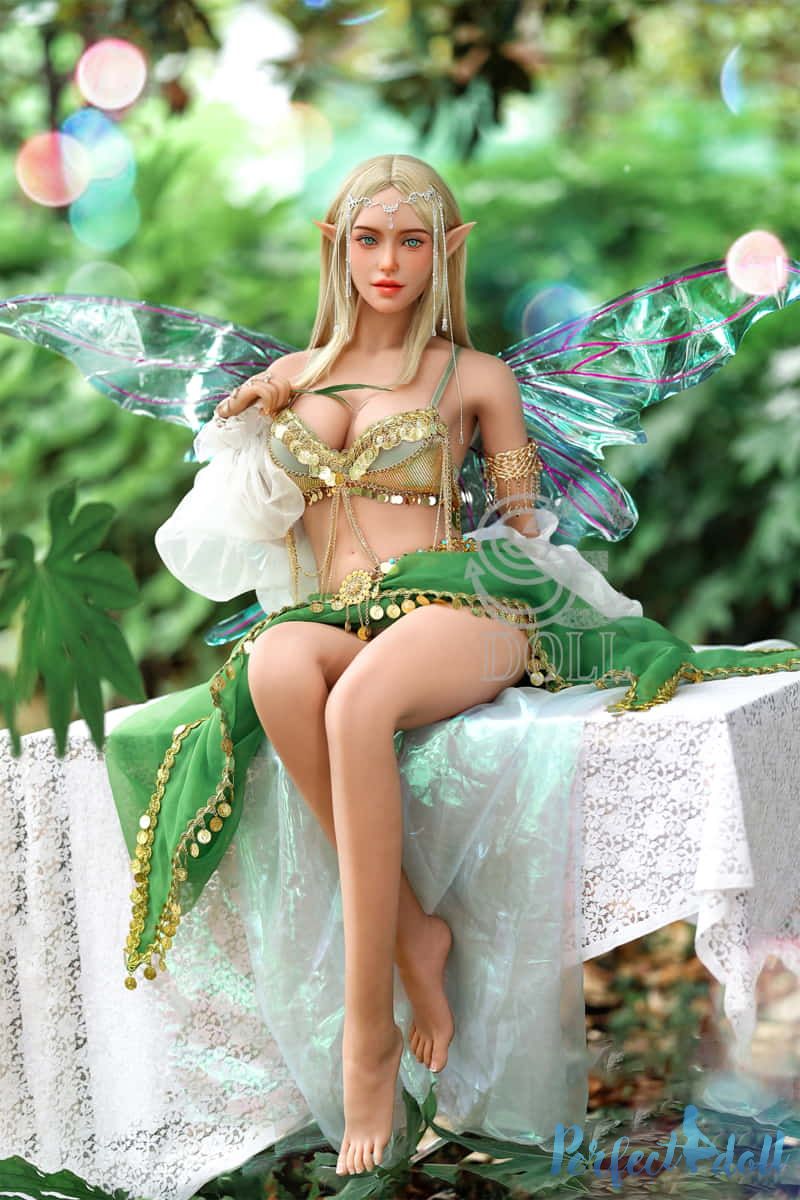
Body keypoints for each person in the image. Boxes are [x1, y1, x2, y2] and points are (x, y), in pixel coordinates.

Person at [36, 152, 799, 1177]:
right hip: (333, 613)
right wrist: (250, 431)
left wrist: (544, 562)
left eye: (410, 240)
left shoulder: (474, 378)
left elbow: (526, 526)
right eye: (367, 238)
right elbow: (239, 539)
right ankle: (412, 931)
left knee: (356, 706)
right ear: (336, 246)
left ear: (447, 249)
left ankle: (369, 1040)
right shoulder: (291, 378)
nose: (387, 261)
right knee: (274, 668)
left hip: (462, 603)